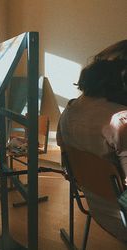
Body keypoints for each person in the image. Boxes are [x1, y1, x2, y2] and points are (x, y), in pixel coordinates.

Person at [57, 40, 127, 185]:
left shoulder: (68, 112)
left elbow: (66, 168)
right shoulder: (120, 120)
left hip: (92, 194)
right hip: (119, 204)